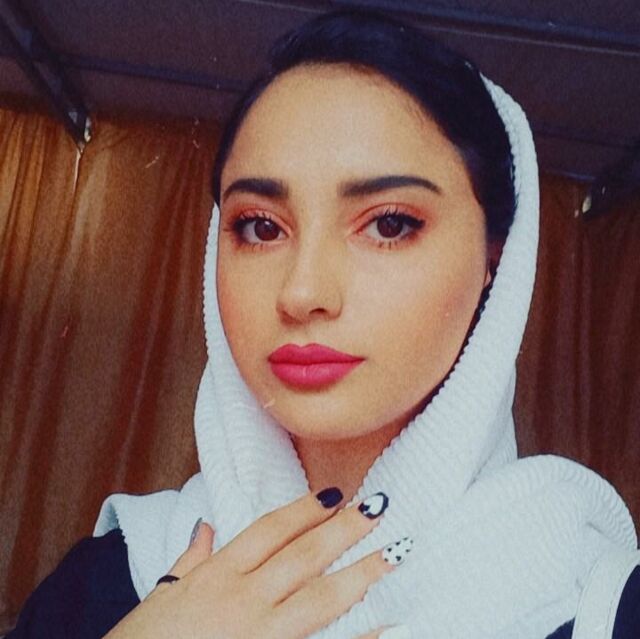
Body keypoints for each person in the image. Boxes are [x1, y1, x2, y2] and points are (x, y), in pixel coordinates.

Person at [8, 9, 640, 639]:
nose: (303, 292)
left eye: (388, 223)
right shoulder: (111, 581)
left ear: (494, 261)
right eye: (261, 227)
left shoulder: (597, 604)